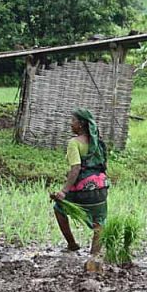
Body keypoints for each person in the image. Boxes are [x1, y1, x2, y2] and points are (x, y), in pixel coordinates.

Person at [51, 109, 108, 256]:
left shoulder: (74, 143)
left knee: (59, 208)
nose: (71, 124)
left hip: (83, 189)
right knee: (99, 221)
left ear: (81, 124)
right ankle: (94, 255)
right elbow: (104, 165)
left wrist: (63, 191)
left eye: (73, 121)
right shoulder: (98, 142)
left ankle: (72, 244)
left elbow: (75, 168)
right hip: (101, 188)